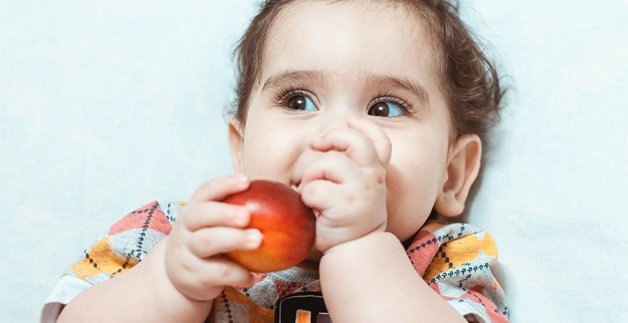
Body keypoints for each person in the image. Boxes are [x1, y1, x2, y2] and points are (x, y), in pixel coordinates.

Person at [42, 0, 508, 322]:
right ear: (240, 150)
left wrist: (360, 249)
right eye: (298, 100)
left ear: (453, 175)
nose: (334, 138)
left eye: (384, 108)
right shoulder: (180, 236)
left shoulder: (444, 265)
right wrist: (168, 284)